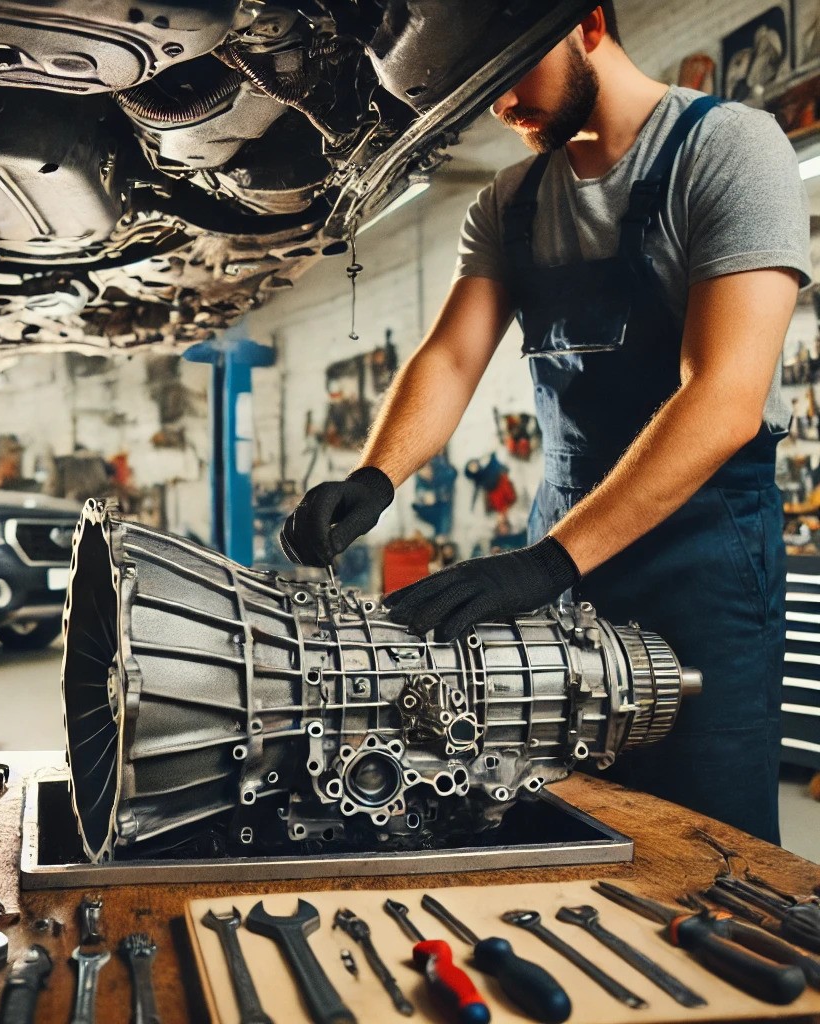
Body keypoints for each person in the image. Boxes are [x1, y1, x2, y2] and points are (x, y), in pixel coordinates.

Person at [279, 4, 812, 844]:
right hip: (558, 553)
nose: (498, 107)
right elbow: (451, 358)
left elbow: (723, 398)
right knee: (550, 813)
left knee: (710, 844)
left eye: (506, 76)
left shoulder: (728, 149)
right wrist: (375, 475)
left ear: (588, 23)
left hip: (700, 562)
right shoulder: (510, 200)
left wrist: (547, 562)